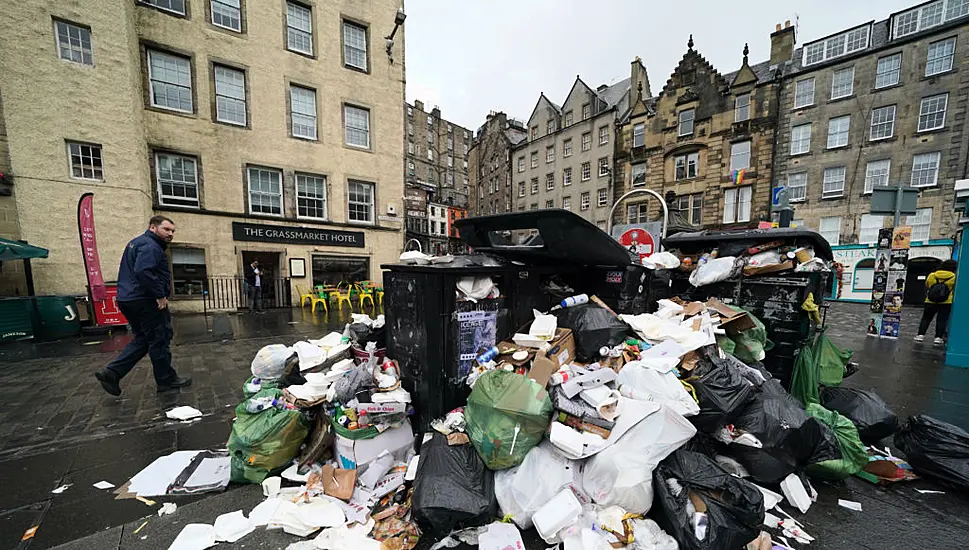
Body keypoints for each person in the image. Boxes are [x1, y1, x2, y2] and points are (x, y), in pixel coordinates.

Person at [95, 215, 191, 395]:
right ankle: (166, 381)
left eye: (172, 231)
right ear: (153, 227)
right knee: (159, 338)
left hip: (128, 299)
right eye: (166, 229)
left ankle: (112, 373)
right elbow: (143, 271)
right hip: (145, 300)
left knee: (144, 339)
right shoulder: (151, 246)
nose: (170, 234)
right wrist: (159, 294)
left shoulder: (137, 243)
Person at [916, 259, 957, 345]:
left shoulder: (932, 275)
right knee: (941, 320)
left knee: (926, 318)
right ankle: (938, 338)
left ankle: (920, 335)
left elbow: (927, 285)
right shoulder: (954, 277)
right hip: (946, 302)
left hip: (930, 301)